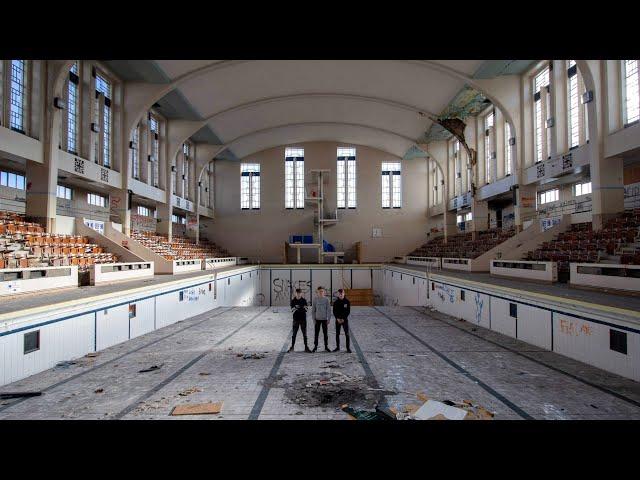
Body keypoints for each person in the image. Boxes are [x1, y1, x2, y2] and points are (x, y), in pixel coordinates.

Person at [289, 288, 311, 353]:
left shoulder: (304, 300)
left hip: (303, 320)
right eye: (297, 293)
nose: (298, 294)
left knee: (305, 334)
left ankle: (306, 347)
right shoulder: (293, 301)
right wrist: (301, 308)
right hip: (295, 320)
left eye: (299, 293)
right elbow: (292, 310)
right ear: (295, 293)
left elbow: (306, 309)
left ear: (301, 294)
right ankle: (292, 347)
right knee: (294, 334)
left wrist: (297, 308)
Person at [311, 286, 331, 352]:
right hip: (317, 320)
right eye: (319, 291)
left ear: (324, 292)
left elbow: (329, 310)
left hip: (324, 319)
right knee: (316, 334)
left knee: (325, 334)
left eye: (322, 291)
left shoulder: (326, 300)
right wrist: (314, 320)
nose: (321, 293)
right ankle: (315, 346)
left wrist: (328, 319)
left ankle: (326, 346)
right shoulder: (315, 300)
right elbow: (313, 311)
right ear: (317, 292)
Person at [332, 289, 351, 353]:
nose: (340, 294)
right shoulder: (336, 302)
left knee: (347, 334)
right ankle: (337, 347)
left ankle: (348, 348)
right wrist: (337, 318)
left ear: (344, 293)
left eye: (342, 293)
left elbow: (348, 311)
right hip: (337, 320)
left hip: (344, 320)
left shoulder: (347, 302)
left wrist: (343, 318)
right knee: (337, 334)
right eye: (339, 293)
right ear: (338, 294)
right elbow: (334, 311)